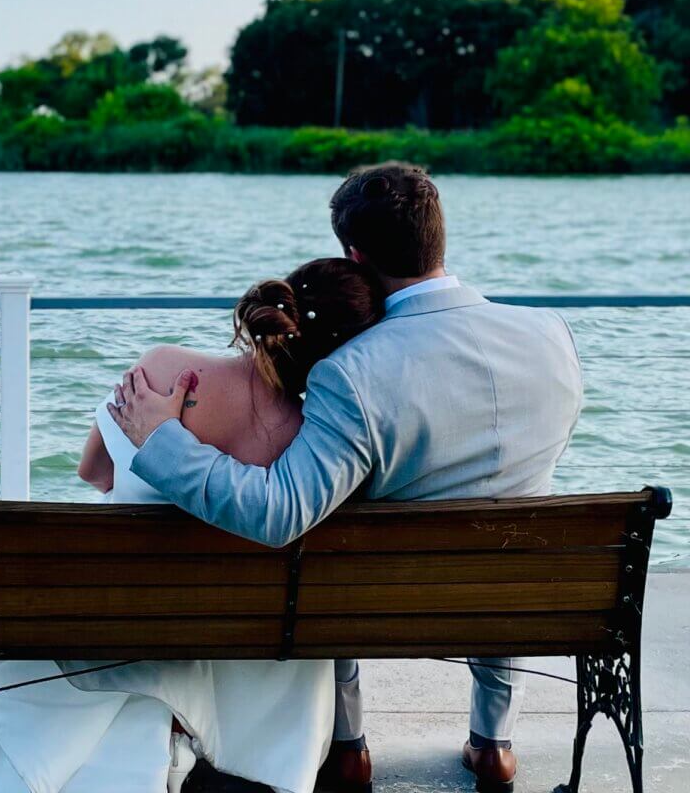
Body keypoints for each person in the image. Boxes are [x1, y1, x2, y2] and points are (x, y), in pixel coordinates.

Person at [110, 162, 584, 793]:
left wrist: (159, 440)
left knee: (331, 536)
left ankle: (348, 745)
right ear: (438, 238)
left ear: (355, 255)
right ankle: (494, 743)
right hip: (516, 594)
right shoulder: (552, 335)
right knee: (508, 507)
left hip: (377, 604)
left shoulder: (350, 371)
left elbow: (277, 512)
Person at [0, 258, 386, 793]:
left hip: (129, 621)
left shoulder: (166, 370)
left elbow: (92, 471)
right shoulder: (320, 444)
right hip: (244, 640)